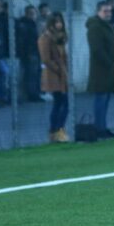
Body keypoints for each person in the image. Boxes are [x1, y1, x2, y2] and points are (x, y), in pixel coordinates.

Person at [86, 1, 114, 139]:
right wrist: (108, 62)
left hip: (108, 69)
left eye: (109, 11)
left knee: (105, 99)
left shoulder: (106, 26)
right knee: (101, 99)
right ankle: (99, 128)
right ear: (98, 11)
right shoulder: (95, 27)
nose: (108, 14)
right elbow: (97, 48)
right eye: (105, 11)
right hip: (100, 70)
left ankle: (103, 127)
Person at [38, 12, 69, 143]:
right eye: (56, 22)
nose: (59, 24)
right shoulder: (45, 38)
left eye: (60, 21)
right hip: (54, 75)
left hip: (62, 74)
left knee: (60, 103)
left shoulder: (60, 38)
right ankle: (57, 131)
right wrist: (59, 70)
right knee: (62, 103)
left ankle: (56, 131)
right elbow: (46, 59)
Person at [16, 5, 43, 102]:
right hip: (30, 52)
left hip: (36, 52)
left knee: (36, 74)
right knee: (32, 74)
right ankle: (32, 95)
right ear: (26, 14)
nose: (33, 15)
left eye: (34, 13)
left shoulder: (33, 24)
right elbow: (24, 41)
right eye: (30, 13)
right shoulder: (24, 25)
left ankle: (36, 93)